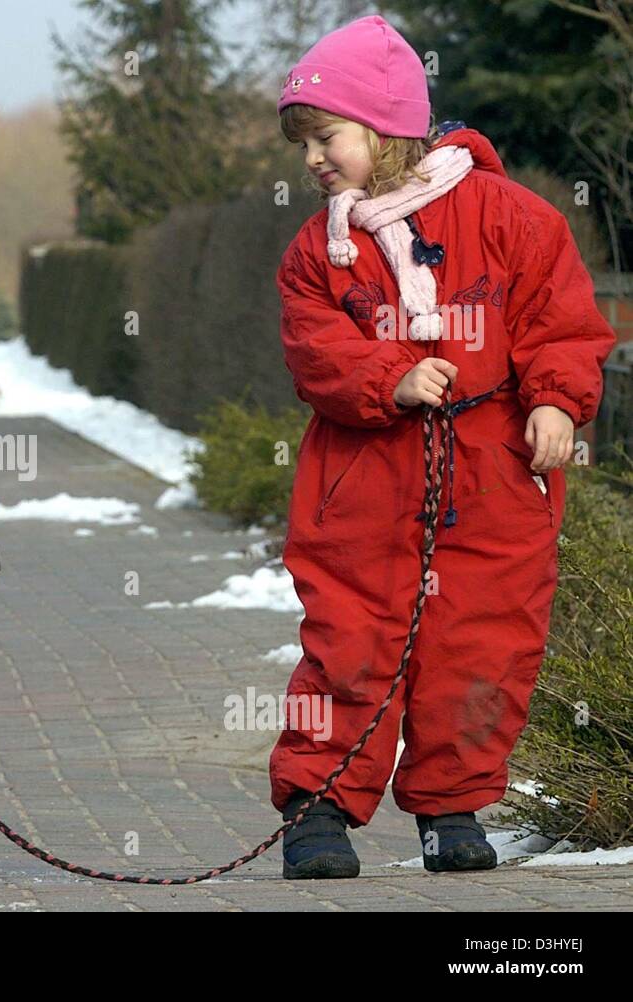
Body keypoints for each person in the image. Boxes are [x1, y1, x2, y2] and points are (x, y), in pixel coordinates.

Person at [269, 14, 616, 879]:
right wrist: (386, 374)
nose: (313, 158)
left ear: (386, 126)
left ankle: (452, 806)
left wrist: (557, 405)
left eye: (328, 136)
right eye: (303, 143)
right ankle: (317, 809)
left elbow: (562, 324)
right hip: (361, 485)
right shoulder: (321, 250)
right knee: (347, 643)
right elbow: (315, 350)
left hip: (493, 476)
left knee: (481, 644)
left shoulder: (513, 219)